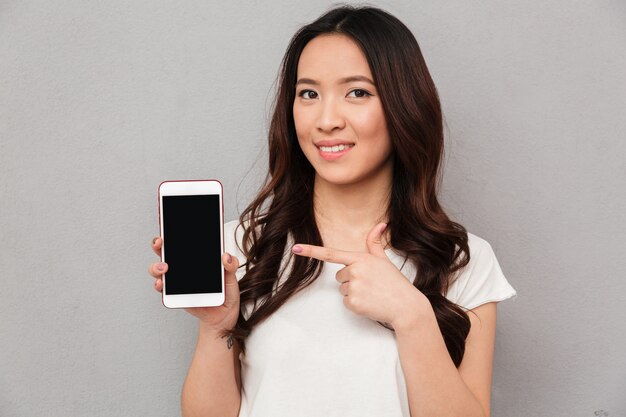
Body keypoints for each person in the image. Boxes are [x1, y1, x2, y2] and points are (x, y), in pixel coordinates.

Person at [148, 5, 516, 417]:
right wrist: (216, 327)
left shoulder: (464, 260)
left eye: (357, 92)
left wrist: (412, 316)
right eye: (308, 94)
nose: (326, 120)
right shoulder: (240, 246)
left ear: (403, 104)